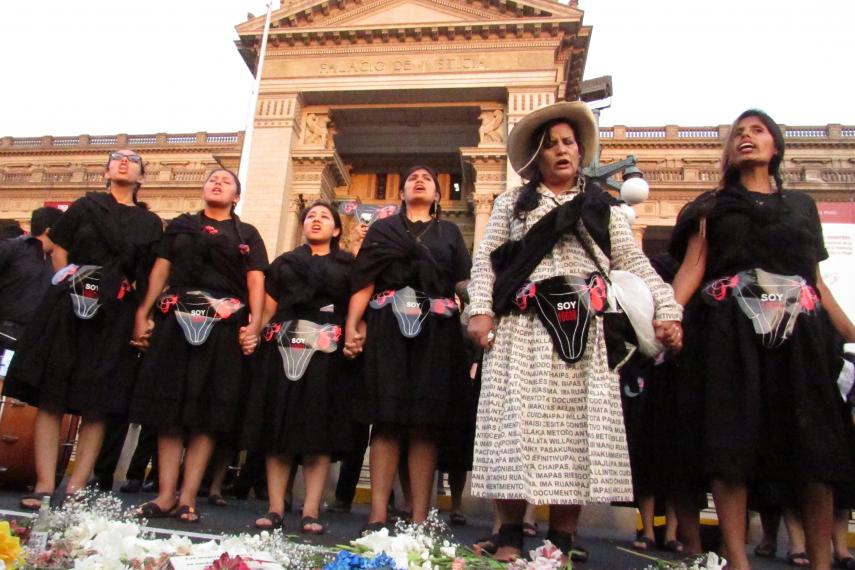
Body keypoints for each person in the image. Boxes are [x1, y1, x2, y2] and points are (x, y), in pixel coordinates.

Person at [467, 101, 683, 563]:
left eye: (567, 142)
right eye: (550, 145)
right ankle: (508, 533)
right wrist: (480, 310)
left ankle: (562, 539)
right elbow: (487, 260)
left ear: (580, 151)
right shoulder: (511, 204)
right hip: (524, 328)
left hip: (585, 333)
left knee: (575, 433)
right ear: (536, 158)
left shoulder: (603, 209)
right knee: (515, 428)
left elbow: (634, 264)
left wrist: (668, 309)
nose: (560, 151)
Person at [669, 109, 855, 570]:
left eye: (758, 130)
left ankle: (821, 561)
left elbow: (816, 281)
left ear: (775, 146)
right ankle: (737, 558)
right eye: (738, 133)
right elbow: (694, 267)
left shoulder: (803, 208)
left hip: (801, 339)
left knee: (814, 451)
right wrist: (667, 317)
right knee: (731, 445)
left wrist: (851, 332)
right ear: (729, 151)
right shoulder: (710, 207)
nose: (747, 137)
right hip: (732, 336)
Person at [3, 150, 162, 510]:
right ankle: (44, 484)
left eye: (132, 160)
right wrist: (65, 275)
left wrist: (143, 313)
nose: (123, 162)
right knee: (51, 394)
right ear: (106, 171)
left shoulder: (149, 223)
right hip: (70, 303)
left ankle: (76, 486)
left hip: (115, 309)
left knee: (98, 401)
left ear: (142, 177)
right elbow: (59, 246)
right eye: (116, 158)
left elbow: (150, 272)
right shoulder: (85, 206)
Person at [130, 168, 267, 523]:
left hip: (222, 324)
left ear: (236, 196)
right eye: (212, 180)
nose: (217, 183)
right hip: (176, 319)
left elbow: (255, 282)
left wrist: (254, 323)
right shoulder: (180, 225)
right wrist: (143, 312)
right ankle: (164, 495)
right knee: (169, 410)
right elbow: (161, 270)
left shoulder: (247, 233)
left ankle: (188, 496)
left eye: (226, 181)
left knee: (205, 414)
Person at [344, 165, 472, 531]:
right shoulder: (384, 229)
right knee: (385, 421)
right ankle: (378, 513)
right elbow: (365, 278)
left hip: (437, 332)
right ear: (400, 193)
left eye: (428, 179)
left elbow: (462, 282)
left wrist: (483, 314)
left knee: (425, 425)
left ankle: (420, 516)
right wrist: (354, 324)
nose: (419, 181)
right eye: (412, 179)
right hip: (387, 328)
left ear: (437, 196)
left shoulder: (449, 232)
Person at [242, 201, 354, 534]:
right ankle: (276, 507)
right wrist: (253, 333)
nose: (315, 220)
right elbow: (268, 308)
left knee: (317, 430)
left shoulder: (348, 265)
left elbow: (353, 309)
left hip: (326, 352)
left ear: (336, 229)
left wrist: (354, 335)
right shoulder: (285, 263)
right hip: (281, 346)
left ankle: (310, 509)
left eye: (324, 217)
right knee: (278, 425)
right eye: (310, 216)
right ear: (302, 225)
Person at [0, 207, 63, 360]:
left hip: (33, 338)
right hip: (6, 332)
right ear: (49, 231)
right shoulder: (13, 248)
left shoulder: (53, 260)